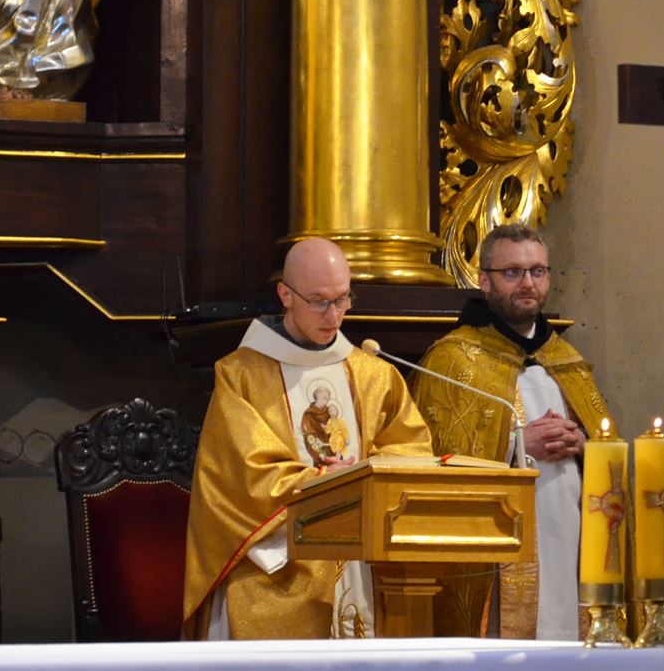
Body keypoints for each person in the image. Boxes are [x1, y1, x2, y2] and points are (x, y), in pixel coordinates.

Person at [182, 238, 434, 640]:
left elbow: (412, 450)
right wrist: (322, 484)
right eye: (318, 301)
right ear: (285, 294)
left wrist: (368, 475)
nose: (333, 315)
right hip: (277, 569)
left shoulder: (374, 374)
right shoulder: (241, 375)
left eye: (342, 299)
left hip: (361, 568)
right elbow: (242, 478)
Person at [410, 224, 610, 640]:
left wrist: (585, 447)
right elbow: (434, 459)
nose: (527, 283)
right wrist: (518, 446)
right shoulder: (453, 359)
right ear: (484, 280)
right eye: (513, 272)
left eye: (538, 272)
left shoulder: (565, 358)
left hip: (570, 542)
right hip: (499, 554)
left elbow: (608, 448)